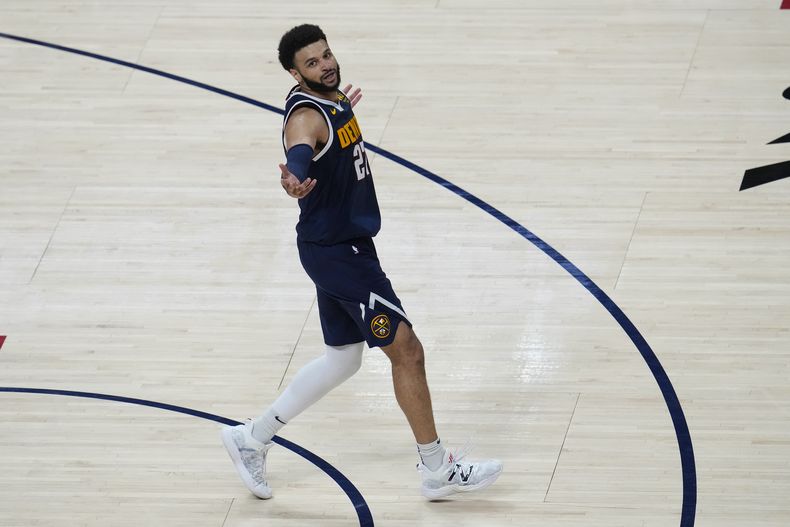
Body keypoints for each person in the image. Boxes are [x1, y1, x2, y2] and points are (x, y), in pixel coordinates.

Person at [221, 23, 502, 501]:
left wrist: (340, 111)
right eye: (312, 62)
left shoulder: (331, 101)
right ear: (294, 72)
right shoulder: (307, 117)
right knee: (407, 350)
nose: (326, 64)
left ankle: (251, 437)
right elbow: (301, 153)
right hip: (339, 256)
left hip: (338, 245)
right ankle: (436, 468)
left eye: (327, 54)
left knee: (343, 358)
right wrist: (294, 180)